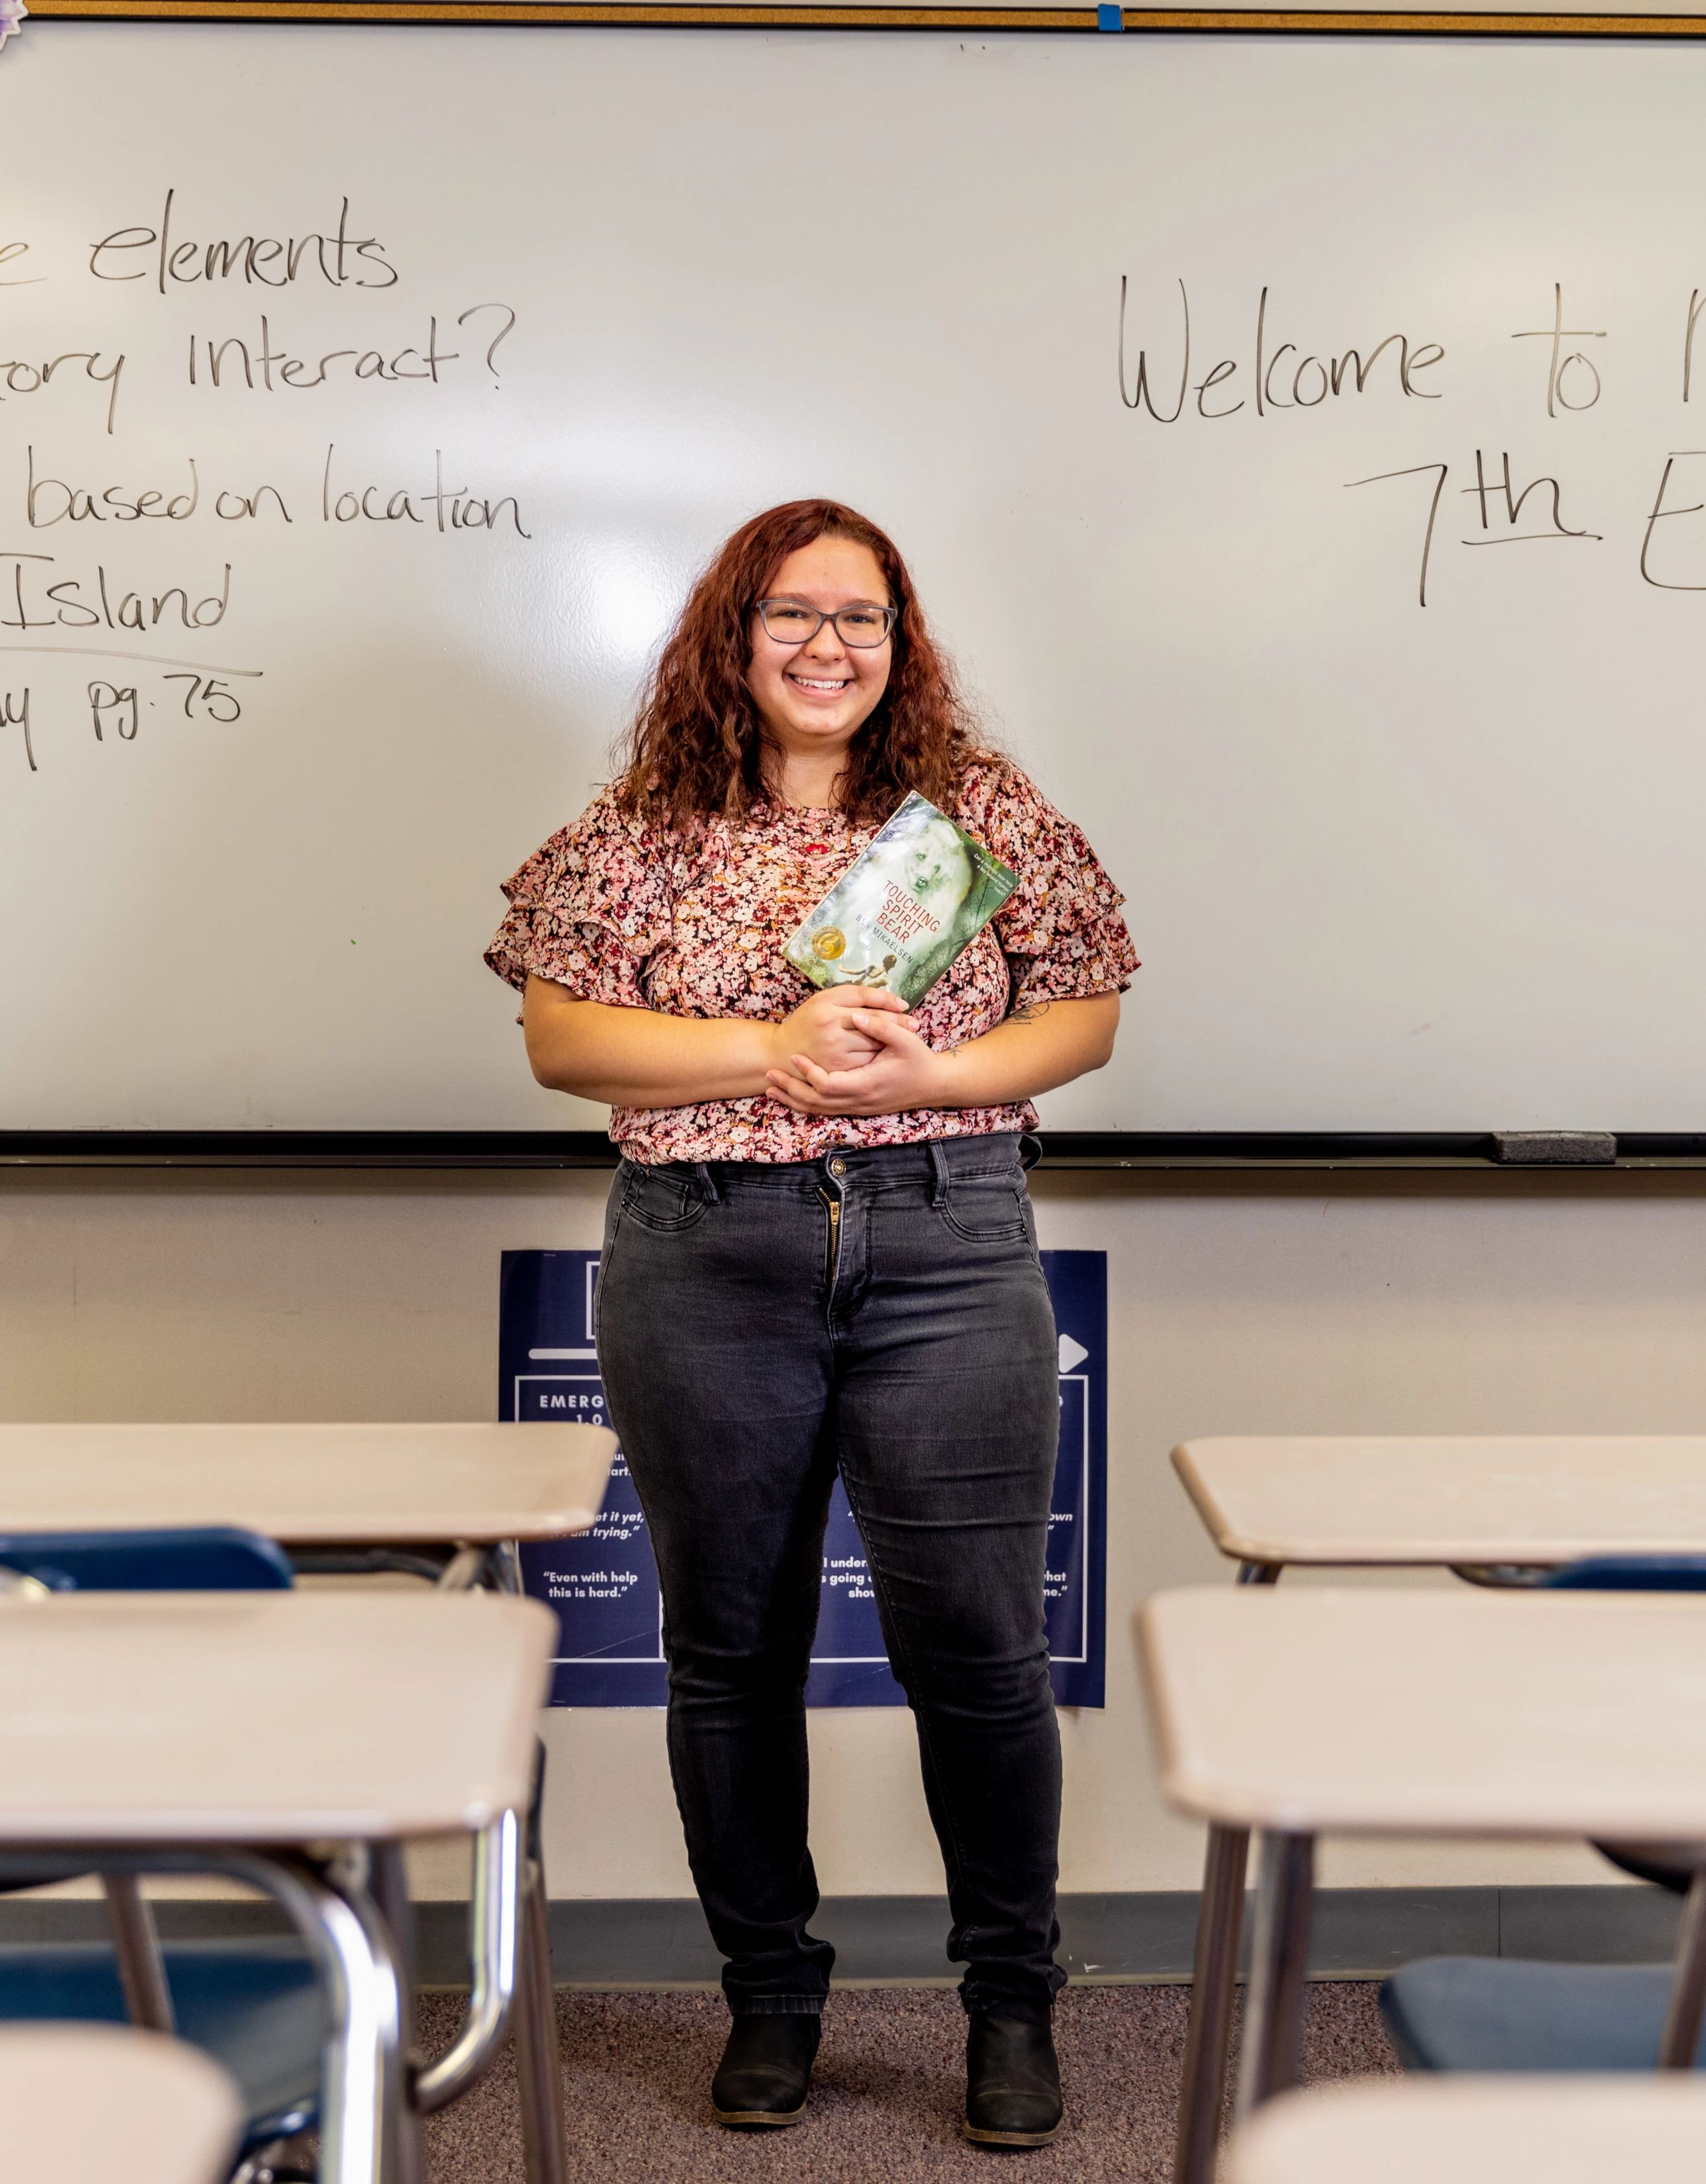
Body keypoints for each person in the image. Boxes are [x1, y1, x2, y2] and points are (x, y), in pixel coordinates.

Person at [486, 499, 1136, 2146]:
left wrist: (940, 1075)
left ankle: (1011, 2006)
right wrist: (763, 1053)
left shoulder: (975, 811)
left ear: (899, 644)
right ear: (735, 633)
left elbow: (1085, 1011)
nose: (827, 646)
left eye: (861, 618)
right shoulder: (643, 826)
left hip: (946, 1240)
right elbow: (562, 1041)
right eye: (792, 614)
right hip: (706, 1251)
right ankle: (768, 1995)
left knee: (978, 1652)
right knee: (730, 1652)